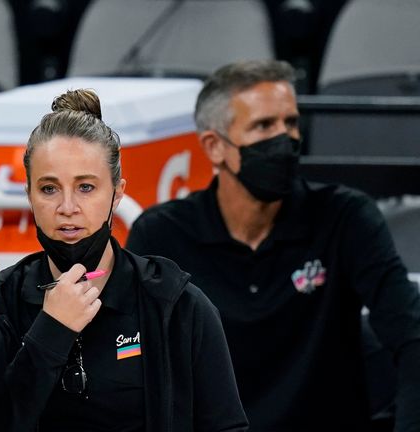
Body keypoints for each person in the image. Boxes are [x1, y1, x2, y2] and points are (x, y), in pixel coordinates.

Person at [126, 59, 420, 431]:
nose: (286, 139)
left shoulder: (346, 217)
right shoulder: (160, 236)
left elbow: (411, 337)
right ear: (215, 147)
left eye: (292, 123)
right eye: (264, 125)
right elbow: (129, 364)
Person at [0, 89, 248, 431]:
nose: (67, 207)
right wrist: (51, 332)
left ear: (117, 193)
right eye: (49, 188)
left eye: (86, 187)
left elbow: (226, 426)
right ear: (28, 195)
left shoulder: (175, 305)